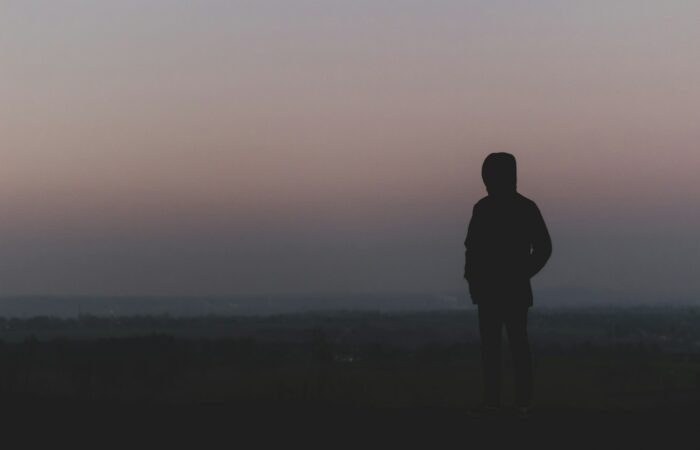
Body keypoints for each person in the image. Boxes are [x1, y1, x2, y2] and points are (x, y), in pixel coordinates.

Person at [464, 152, 552, 416]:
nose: (487, 181)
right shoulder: (485, 208)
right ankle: (497, 401)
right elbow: (472, 249)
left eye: (490, 175)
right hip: (494, 290)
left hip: (506, 290)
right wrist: (473, 279)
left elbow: (544, 248)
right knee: (494, 348)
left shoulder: (523, 208)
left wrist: (522, 273)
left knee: (515, 346)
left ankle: (521, 402)